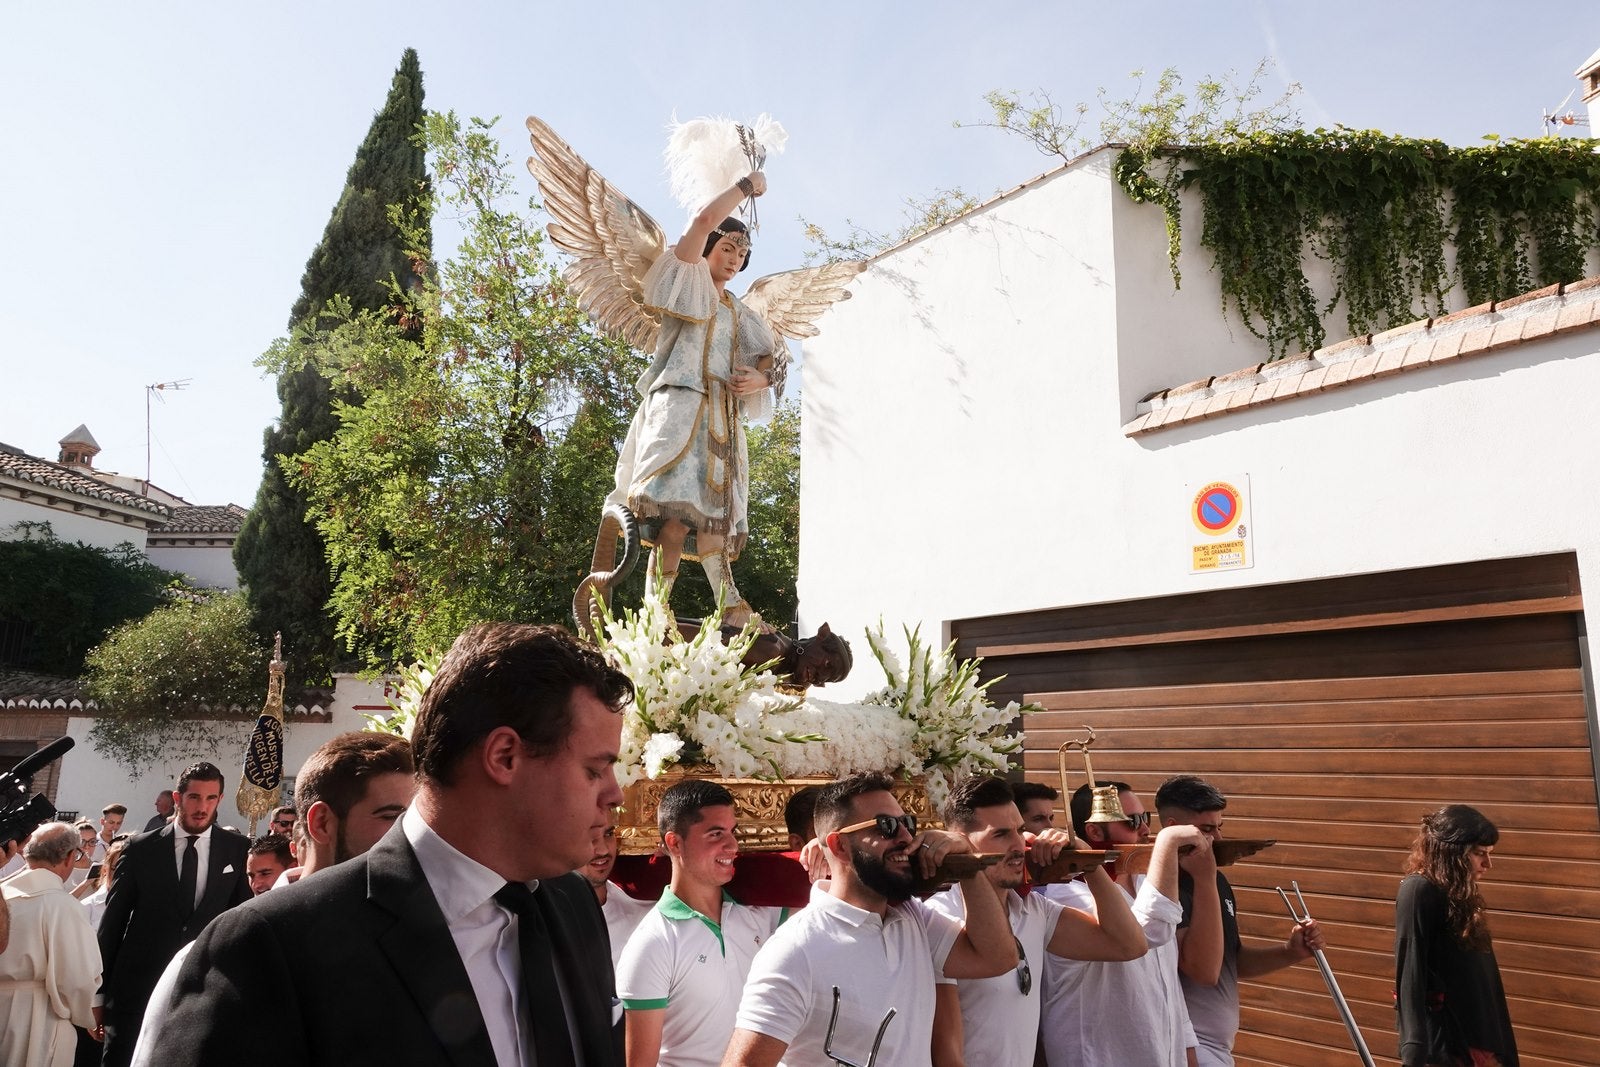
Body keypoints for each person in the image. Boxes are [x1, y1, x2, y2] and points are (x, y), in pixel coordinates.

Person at [147, 622, 633, 1067]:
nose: (615, 795)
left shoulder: (571, 904)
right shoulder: (270, 946)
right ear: (504, 756)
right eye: (594, 770)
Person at [129, 732, 417, 1066]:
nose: (408, 836)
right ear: (322, 823)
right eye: (391, 818)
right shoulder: (218, 957)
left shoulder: (422, 945)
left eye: (414, 820)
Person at [723, 771, 1017, 1067]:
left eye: (908, 824)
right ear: (839, 846)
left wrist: (966, 863)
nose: (905, 837)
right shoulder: (795, 950)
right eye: (886, 827)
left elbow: (998, 959)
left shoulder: (912, 918)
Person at [609, 169, 777, 627]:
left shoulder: (739, 312)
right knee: (674, 520)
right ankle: (655, 610)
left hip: (721, 417)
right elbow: (704, 219)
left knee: (713, 524)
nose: (735, 259)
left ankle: (731, 606)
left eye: (742, 254)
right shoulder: (685, 276)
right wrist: (745, 188)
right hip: (681, 412)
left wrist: (761, 379)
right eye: (728, 248)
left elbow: (772, 356)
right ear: (709, 249)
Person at [926, 776, 1146, 1067]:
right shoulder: (941, 914)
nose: (1018, 845)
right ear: (960, 842)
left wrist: (1084, 857)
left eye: (1020, 830)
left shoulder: (1031, 908)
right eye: (1001, 834)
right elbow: (946, 1054)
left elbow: (1129, 945)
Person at [1155, 775, 1325, 1067]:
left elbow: (1229, 961)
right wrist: (1205, 880)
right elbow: (1202, 971)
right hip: (1185, 1047)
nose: (1217, 839)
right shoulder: (1163, 888)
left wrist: (1289, 952)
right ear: (1173, 830)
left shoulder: (1215, 880)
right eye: (1207, 829)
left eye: (1219, 828)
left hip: (1220, 1048)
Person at [619, 780, 786, 1067]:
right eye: (715, 834)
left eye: (732, 832)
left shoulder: (762, 914)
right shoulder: (652, 943)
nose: (732, 845)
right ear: (674, 842)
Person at [96, 761, 252, 1067]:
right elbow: (112, 924)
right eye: (194, 797)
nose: (202, 807)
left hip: (203, 990)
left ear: (220, 800)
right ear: (178, 799)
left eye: (211, 798)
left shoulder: (237, 849)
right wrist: (98, 995)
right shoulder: (140, 849)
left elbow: (241, 920)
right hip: (136, 990)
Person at [1038, 782, 1203, 1067]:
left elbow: (1168, 986)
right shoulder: (1065, 894)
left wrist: (1187, 1050)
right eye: (1133, 821)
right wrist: (1167, 842)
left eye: (1146, 818)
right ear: (1094, 830)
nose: (1144, 830)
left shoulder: (1145, 883)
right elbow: (1147, 934)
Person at [1394, 805, 1517, 1067]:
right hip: (1450, 1043)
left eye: (1489, 854)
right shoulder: (1418, 890)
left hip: (1482, 1038)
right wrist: (1413, 1050)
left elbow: (1486, 981)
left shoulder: (1461, 894)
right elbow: (1410, 974)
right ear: (1452, 853)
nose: (1488, 863)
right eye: (1479, 853)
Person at [0, 822, 103, 1067]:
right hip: (38, 1017)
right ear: (69, 858)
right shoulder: (64, 907)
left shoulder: (4, 894)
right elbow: (78, 979)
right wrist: (85, 1013)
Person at [583, 819, 654, 969]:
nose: (603, 850)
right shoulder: (534, 917)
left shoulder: (647, 919)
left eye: (609, 833)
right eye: (588, 837)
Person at [79, 841, 127, 934]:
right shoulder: (86, 907)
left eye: (130, 869)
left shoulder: (147, 904)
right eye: (116, 869)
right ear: (105, 869)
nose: (124, 874)